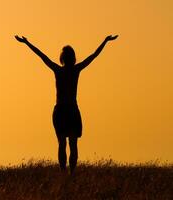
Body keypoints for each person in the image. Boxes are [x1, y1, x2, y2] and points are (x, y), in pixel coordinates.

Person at [15, 34, 118, 174]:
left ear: (62, 58)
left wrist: (26, 43)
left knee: (63, 143)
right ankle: (69, 174)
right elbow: (94, 55)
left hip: (63, 110)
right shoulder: (74, 70)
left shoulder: (60, 70)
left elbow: (42, 55)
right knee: (71, 144)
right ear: (72, 58)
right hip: (68, 110)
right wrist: (105, 41)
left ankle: (66, 173)